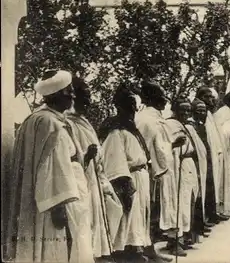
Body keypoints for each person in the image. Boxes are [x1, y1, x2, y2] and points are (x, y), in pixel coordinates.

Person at [4, 70, 94, 263]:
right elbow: (54, 168)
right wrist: (59, 205)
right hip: (54, 202)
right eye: (69, 90)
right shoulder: (52, 125)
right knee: (56, 249)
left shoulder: (35, 119)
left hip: (42, 199)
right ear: (58, 94)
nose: (73, 95)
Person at [66, 77, 124, 262]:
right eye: (85, 96)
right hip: (81, 181)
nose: (89, 101)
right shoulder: (68, 122)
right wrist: (87, 156)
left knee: (108, 213)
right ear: (74, 96)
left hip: (95, 178)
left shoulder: (84, 122)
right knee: (86, 223)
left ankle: (99, 254)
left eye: (90, 96)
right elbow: (69, 158)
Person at [134, 81, 188, 260]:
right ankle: (145, 250)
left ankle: (148, 249)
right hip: (151, 170)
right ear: (153, 99)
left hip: (154, 168)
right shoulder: (148, 120)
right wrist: (173, 144)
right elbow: (156, 148)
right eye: (161, 97)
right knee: (148, 211)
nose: (164, 101)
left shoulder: (151, 117)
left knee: (149, 211)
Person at [100, 84, 152, 262]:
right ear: (119, 107)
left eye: (134, 107)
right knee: (129, 217)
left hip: (140, 175)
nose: (132, 111)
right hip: (128, 176)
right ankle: (126, 252)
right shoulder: (116, 130)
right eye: (128, 106)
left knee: (139, 217)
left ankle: (138, 248)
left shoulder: (131, 128)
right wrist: (124, 181)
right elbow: (115, 159)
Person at [164, 97, 208, 250]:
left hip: (188, 165)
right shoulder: (169, 125)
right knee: (178, 203)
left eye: (188, 110)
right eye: (182, 110)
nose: (185, 113)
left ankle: (185, 237)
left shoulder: (188, 127)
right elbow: (164, 147)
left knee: (188, 201)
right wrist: (175, 146)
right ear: (175, 110)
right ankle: (175, 241)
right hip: (176, 165)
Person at [196, 87, 230, 219]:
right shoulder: (200, 114)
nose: (211, 100)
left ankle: (213, 212)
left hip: (214, 154)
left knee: (213, 184)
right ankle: (208, 215)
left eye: (212, 97)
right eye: (207, 97)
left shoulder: (209, 114)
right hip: (206, 155)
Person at [190, 98, 227, 226]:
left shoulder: (203, 124)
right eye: (199, 110)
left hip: (208, 160)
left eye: (203, 110)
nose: (202, 112)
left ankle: (208, 216)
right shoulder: (192, 126)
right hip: (197, 162)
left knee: (209, 188)